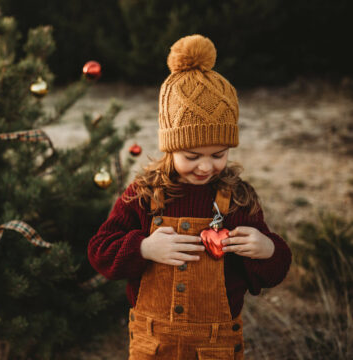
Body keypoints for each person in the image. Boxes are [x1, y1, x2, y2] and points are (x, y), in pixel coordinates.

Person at [88, 34, 292, 359]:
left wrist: (266, 249)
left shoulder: (237, 198)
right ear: (170, 146)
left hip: (217, 342)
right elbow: (100, 251)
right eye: (192, 155)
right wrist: (143, 247)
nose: (206, 167)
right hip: (152, 343)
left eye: (219, 154)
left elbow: (273, 273)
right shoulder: (144, 194)